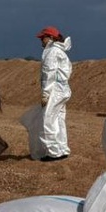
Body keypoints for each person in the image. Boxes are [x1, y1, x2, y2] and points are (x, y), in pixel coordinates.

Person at [34, 26, 73, 161]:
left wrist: (45, 94)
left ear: (50, 37)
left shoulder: (52, 52)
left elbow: (48, 73)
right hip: (63, 89)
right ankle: (62, 149)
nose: (41, 41)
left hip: (55, 90)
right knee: (58, 120)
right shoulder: (61, 51)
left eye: (42, 38)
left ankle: (53, 152)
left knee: (48, 120)